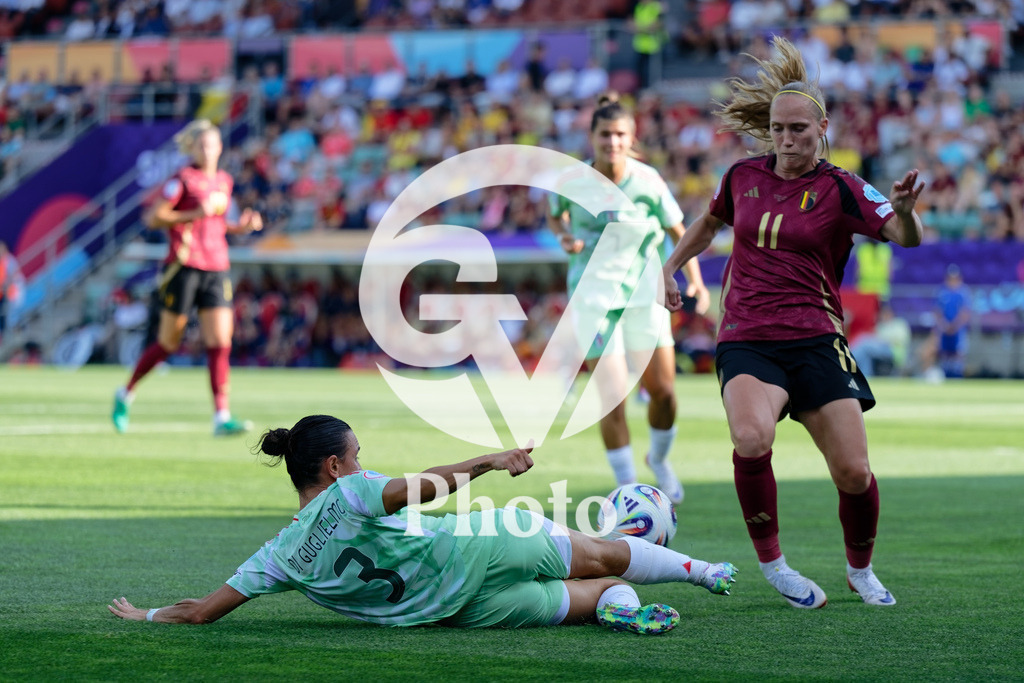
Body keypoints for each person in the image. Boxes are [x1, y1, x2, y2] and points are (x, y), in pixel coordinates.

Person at [661, 37, 924, 609]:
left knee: (854, 472)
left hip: (818, 340)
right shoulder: (742, 178)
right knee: (751, 436)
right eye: (778, 129)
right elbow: (707, 227)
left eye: (798, 129)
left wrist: (903, 212)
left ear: (822, 126)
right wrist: (671, 268)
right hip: (749, 338)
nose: (785, 139)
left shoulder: (843, 188)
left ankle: (861, 570)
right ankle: (775, 565)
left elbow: (905, 236)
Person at [107, 415, 737, 631]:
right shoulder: (351, 492)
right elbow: (425, 486)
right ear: (333, 466)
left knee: (592, 597)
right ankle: (705, 572)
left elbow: (202, 612)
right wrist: (487, 461)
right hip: (478, 551)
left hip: (450, 611)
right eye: (355, 455)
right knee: (601, 554)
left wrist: (149, 615)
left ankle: (619, 611)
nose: (362, 464)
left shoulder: (274, 559)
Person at [547, 93, 710, 504]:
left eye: (620, 134)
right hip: (592, 299)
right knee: (612, 397)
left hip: (644, 295)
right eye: (605, 134)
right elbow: (555, 212)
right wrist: (563, 234)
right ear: (592, 136)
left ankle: (659, 459)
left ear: (631, 137)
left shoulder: (648, 181)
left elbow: (680, 232)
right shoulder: (572, 180)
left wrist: (695, 279)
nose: (612, 142)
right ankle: (626, 489)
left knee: (665, 393)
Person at [112, 120, 263, 436]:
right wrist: (195, 213)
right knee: (168, 343)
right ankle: (125, 392)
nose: (208, 150)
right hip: (183, 266)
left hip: (216, 266)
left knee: (220, 342)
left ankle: (221, 416)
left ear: (221, 147)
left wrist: (242, 226)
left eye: (213, 144)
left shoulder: (224, 180)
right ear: (192, 149)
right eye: (202, 145)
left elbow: (219, 223)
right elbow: (154, 217)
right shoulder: (182, 180)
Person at [0, 239, 25, 341]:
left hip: (15, 289)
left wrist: (4, 285)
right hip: (6, 292)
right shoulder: (2, 262)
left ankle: (18, 334)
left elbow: (12, 276)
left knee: (13, 313)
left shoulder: (10, 260)